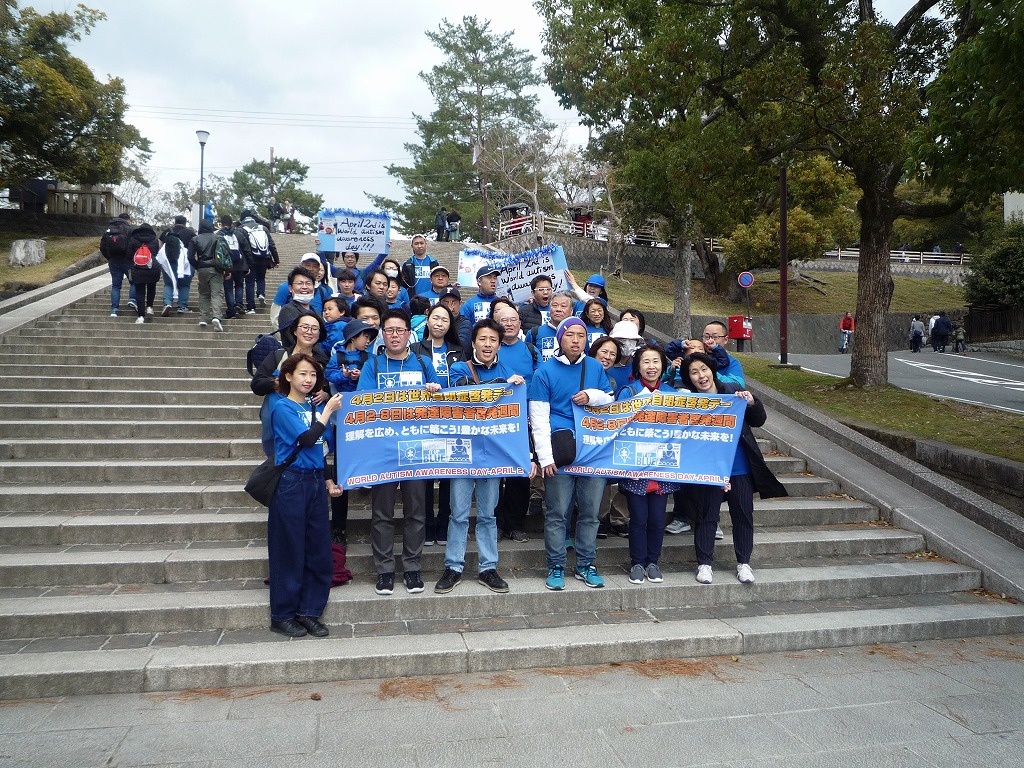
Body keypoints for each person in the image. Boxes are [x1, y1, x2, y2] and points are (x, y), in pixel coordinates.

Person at [434, 319, 531, 595]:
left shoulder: (509, 372)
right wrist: (501, 386)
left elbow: (516, 415)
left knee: (488, 515)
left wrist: (513, 386)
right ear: (473, 342)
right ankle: (453, 567)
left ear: (499, 344)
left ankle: (488, 567)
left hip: (493, 454)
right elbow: (460, 394)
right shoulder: (459, 369)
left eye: (493, 340)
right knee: (458, 513)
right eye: (483, 339)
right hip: (463, 451)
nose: (488, 344)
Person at [681, 352, 787, 585]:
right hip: (707, 470)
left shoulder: (732, 391)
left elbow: (758, 420)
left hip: (739, 466)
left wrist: (751, 401)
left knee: (743, 514)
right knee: (706, 515)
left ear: (712, 371)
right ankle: (704, 564)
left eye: (704, 369)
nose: (701, 376)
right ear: (689, 378)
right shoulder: (689, 403)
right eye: (694, 372)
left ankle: (744, 563)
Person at [357, 310, 442, 596]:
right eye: (389, 330)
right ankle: (384, 570)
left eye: (400, 330)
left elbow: (440, 402)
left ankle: (412, 567)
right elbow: (363, 403)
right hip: (383, 450)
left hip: (416, 448)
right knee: (382, 512)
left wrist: (434, 390)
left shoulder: (423, 362)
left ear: (409, 334)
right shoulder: (373, 365)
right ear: (382, 334)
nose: (395, 335)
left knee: (416, 511)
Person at [528, 317, 614, 591]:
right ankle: (555, 565)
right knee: (557, 513)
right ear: (560, 338)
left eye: (581, 335)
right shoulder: (544, 372)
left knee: (590, 513)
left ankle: (586, 564)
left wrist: (592, 396)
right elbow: (538, 418)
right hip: (560, 452)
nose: (576, 340)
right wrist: (545, 458)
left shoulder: (595, 367)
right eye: (570, 335)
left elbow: (610, 400)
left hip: (591, 450)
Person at [265, 352, 343, 638]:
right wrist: (327, 412)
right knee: (289, 550)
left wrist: (328, 479)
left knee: (318, 551)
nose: (308, 379)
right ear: (288, 376)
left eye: (312, 375)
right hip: (291, 483)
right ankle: (282, 615)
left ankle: (309, 612)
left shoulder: (311, 407)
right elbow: (308, 439)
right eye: (302, 373)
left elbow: (320, 449)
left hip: (314, 482)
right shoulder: (282, 407)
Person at [616, 345, 681, 584]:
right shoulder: (628, 392)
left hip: (663, 467)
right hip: (636, 466)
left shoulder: (672, 394)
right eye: (646, 362)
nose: (651, 366)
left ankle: (653, 562)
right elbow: (618, 426)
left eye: (656, 361)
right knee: (638, 519)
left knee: (657, 520)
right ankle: (637, 562)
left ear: (663, 366)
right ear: (638, 366)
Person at [411, 303, 466, 544]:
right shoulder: (414, 349)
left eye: (445, 319)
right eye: (436, 318)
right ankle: (426, 524)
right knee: (424, 473)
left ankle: (443, 524)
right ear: (427, 320)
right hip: (423, 418)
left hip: (451, 418)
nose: (440, 323)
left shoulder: (458, 350)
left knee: (447, 474)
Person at [490, 299, 539, 543]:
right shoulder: (491, 348)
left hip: (524, 419)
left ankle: (515, 524)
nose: (508, 324)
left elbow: (538, 381)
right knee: (496, 473)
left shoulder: (530, 349)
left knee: (521, 473)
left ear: (520, 323)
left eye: (513, 320)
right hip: (495, 419)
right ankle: (496, 523)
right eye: (503, 321)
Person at [187, 220, 227, 332]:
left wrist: (198, 266)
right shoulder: (219, 238)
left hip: (202, 269)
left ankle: (203, 318)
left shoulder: (195, 239)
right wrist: (227, 270)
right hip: (216, 268)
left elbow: (190, 256)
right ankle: (216, 316)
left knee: (204, 293)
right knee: (217, 293)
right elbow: (226, 254)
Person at [99, 212, 137, 317]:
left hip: (114, 262)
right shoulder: (129, 229)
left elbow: (102, 246)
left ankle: (114, 310)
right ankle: (132, 299)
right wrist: (131, 257)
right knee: (134, 282)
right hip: (128, 262)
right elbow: (134, 245)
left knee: (116, 286)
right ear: (128, 220)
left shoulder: (109, 229)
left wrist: (109, 257)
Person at [159, 215, 196, 316]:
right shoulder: (190, 233)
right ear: (185, 223)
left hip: (168, 262)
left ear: (175, 222)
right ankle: (182, 306)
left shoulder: (167, 232)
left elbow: (160, 246)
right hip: (185, 263)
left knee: (169, 284)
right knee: (184, 285)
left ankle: (167, 303)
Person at [240, 215, 280, 311]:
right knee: (261, 278)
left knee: (250, 283)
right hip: (264, 258)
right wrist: (276, 260)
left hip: (250, 259)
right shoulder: (263, 228)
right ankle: (261, 294)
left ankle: (251, 307)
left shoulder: (242, 229)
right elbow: (271, 244)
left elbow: (241, 247)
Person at [276, 268, 321, 349]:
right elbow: (293, 340)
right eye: (300, 283)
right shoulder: (288, 310)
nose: (304, 287)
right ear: (290, 288)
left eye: (308, 283)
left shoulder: (315, 312)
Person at [217, 214, 252, 319]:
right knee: (239, 285)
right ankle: (239, 304)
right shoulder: (238, 234)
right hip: (240, 265)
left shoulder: (218, 235)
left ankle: (231, 310)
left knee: (228, 288)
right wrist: (249, 265)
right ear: (231, 223)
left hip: (226, 266)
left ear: (221, 224)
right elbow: (247, 249)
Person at [126, 222, 162, 324]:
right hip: (152, 267)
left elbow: (128, 255)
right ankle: (150, 307)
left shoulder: (133, 239)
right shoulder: (154, 240)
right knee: (152, 287)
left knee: (140, 292)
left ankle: (141, 316)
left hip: (138, 268)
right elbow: (156, 252)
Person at [526, 290, 575, 362]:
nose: (558, 309)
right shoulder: (534, 333)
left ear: (571, 311)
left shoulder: (577, 333)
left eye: (563, 306)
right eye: (555, 305)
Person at [608, 319, 644, 394]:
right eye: (622, 339)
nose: (627, 344)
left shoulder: (639, 365)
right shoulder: (605, 364)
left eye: (631, 340)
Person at [437, 287, 472, 352]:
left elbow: (462, 346)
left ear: (460, 303)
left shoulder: (465, 323)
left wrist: (449, 317)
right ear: (440, 304)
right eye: (446, 302)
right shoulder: (436, 322)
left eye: (453, 302)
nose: (450, 306)